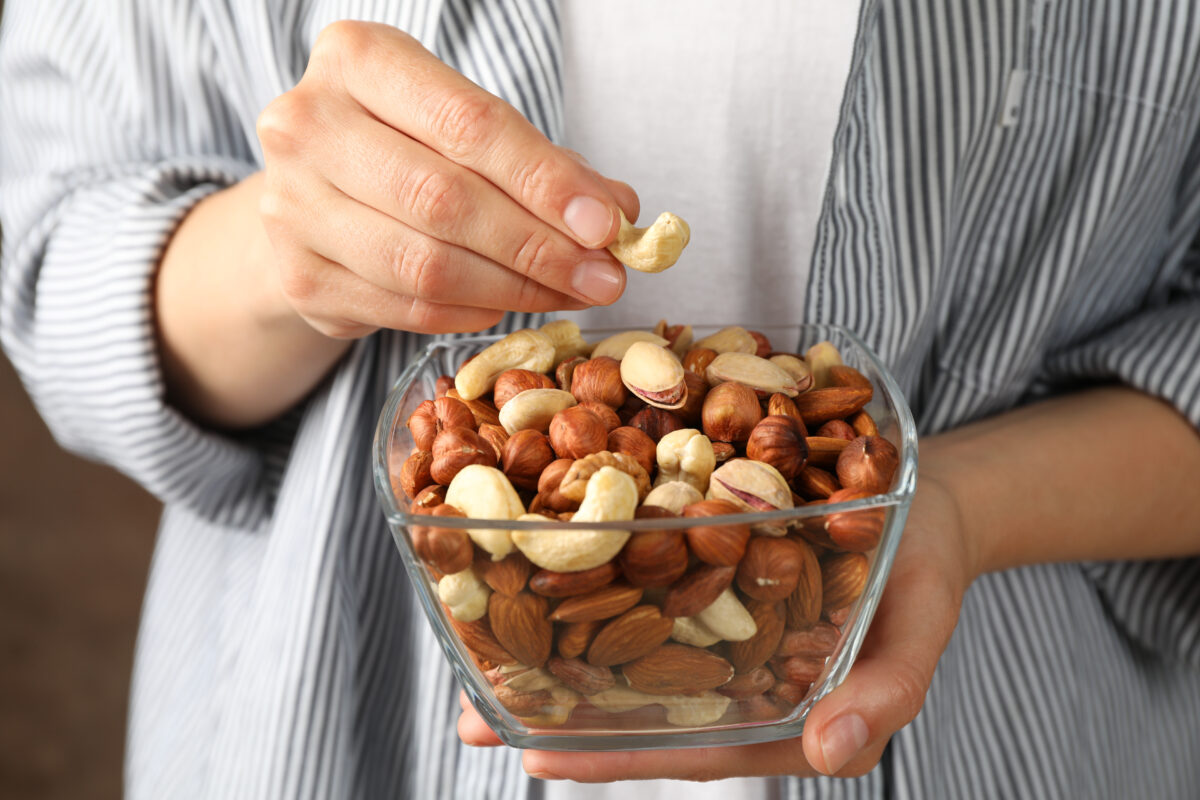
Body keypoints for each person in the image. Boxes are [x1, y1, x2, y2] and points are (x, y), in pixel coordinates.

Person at [2, 1, 1199, 798]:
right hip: (343, 728)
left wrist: (965, 508)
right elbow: (51, 254)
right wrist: (283, 256)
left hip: (1019, 733)